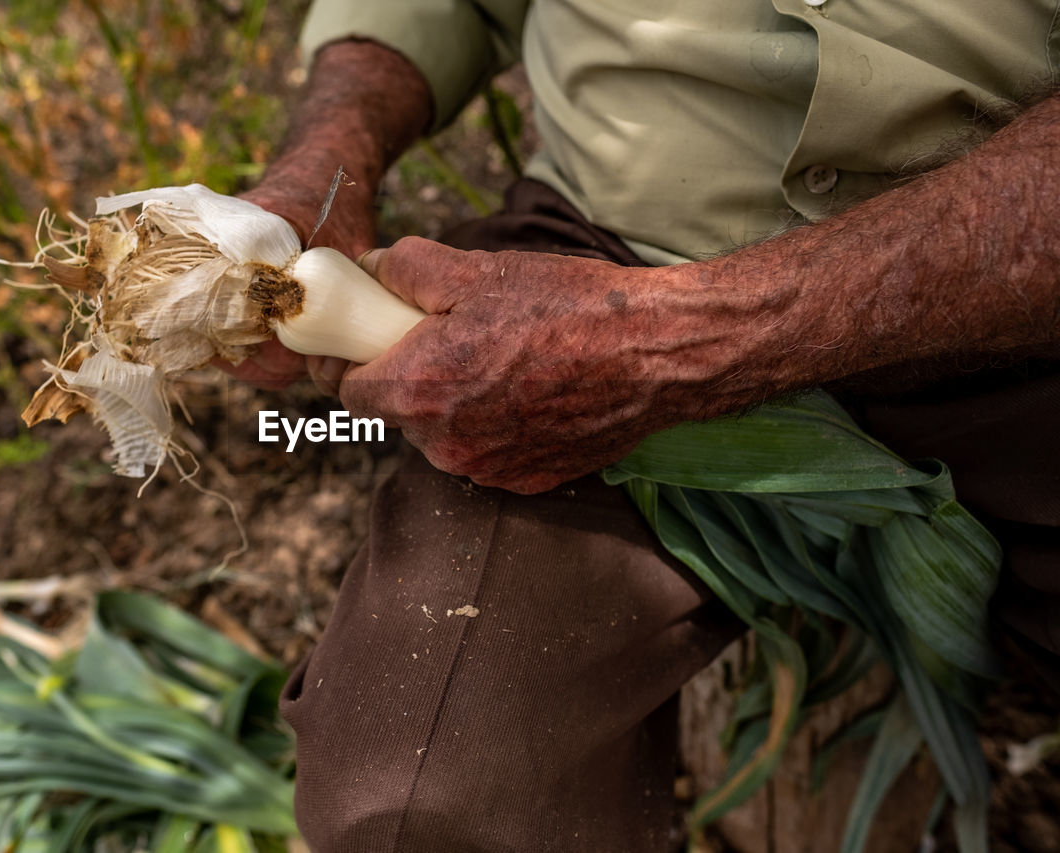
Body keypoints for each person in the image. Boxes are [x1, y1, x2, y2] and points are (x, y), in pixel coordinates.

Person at [218, 2, 1060, 850]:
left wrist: (671, 342)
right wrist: (327, 158)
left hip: (1002, 301)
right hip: (584, 264)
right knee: (412, 798)